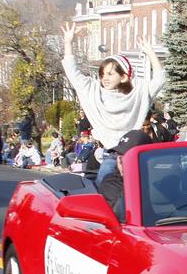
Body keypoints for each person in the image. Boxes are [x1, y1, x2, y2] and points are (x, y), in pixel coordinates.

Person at [61, 22, 165, 185]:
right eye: (102, 74)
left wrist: (150, 52)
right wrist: (68, 43)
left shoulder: (137, 94)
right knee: (104, 186)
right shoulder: (93, 90)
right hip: (108, 154)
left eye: (110, 74)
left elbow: (160, 79)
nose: (105, 78)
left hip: (132, 155)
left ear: (124, 77)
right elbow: (72, 73)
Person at [99, 129, 154, 219]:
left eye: (128, 155)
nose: (120, 159)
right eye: (118, 154)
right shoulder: (111, 182)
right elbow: (123, 214)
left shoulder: (158, 181)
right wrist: (128, 177)